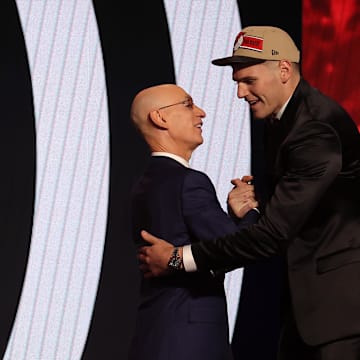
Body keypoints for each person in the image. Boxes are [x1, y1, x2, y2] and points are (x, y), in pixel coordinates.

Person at [138, 26, 360, 360]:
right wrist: (252, 209)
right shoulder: (281, 119)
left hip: (341, 311)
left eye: (249, 81)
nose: (241, 93)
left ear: (284, 70)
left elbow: (274, 235)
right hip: (311, 310)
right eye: (237, 82)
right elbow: (302, 208)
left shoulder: (314, 129)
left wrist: (176, 257)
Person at [128, 83, 259, 360]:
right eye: (188, 105)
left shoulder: (145, 184)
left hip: (156, 334)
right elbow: (236, 249)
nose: (201, 113)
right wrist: (250, 211)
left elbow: (209, 248)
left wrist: (232, 217)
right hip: (191, 341)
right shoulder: (189, 181)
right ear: (159, 117)